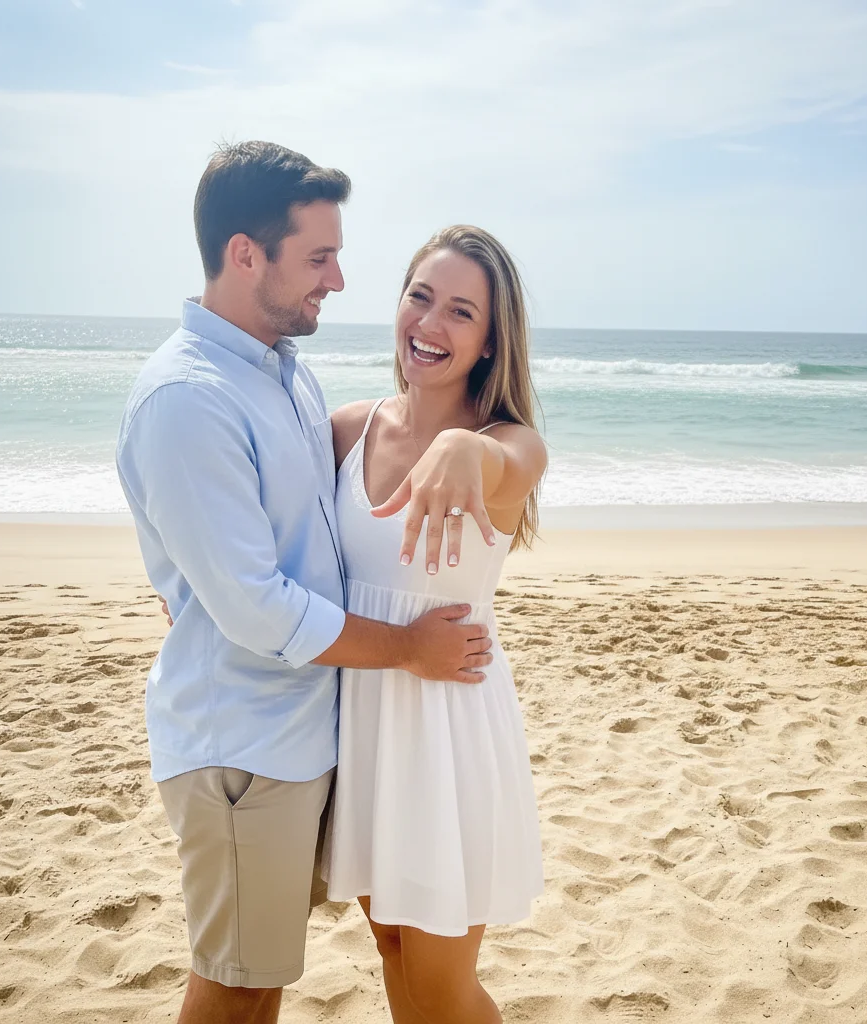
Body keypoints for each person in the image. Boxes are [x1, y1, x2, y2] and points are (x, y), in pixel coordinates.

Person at [116, 141, 496, 1024]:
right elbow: (256, 605)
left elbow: (293, 543)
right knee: (240, 989)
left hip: (311, 736)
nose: (338, 277)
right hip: (244, 746)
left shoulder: (284, 375)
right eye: (318, 256)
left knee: (271, 975)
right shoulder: (188, 398)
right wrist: (406, 647)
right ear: (247, 254)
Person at [325, 225, 546, 1024]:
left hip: (448, 737)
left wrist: (461, 444)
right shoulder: (349, 429)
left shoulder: (507, 446)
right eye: (421, 297)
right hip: (364, 728)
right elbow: (251, 511)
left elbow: (514, 466)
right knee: (391, 954)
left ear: (490, 343)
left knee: (444, 985)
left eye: (461, 312)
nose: (431, 324)